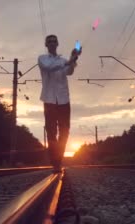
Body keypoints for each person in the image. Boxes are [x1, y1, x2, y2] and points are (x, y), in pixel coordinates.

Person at [38, 34, 81, 173]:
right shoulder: (42, 59)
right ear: (46, 44)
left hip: (63, 99)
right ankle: (55, 162)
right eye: (49, 41)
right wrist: (68, 61)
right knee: (51, 132)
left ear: (57, 43)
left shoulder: (63, 60)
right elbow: (49, 68)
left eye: (54, 41)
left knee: (65, 131)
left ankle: (58, 159)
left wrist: (73, 60)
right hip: (49, 100)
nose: (52, 43)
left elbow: (69, 72)